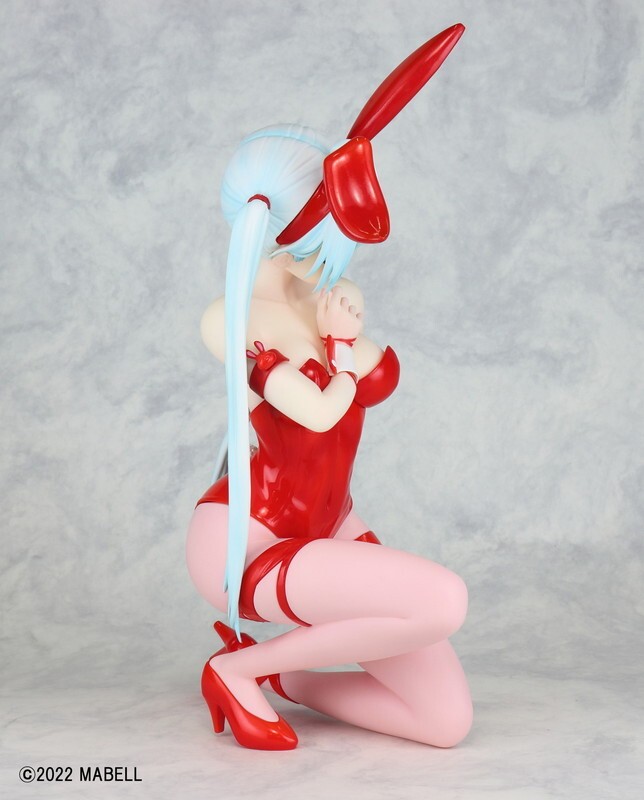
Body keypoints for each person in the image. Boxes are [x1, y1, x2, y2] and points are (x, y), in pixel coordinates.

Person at [186, 26, 472, 751]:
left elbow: (377, 375)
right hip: (252, 543)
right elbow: (317, 410)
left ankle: (286, 677)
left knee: (446, 722)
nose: (338, 256)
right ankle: (240, 669)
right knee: (443, 599)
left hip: (330, 524)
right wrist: (340, 345)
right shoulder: (231, 317)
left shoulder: (318, 298)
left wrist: (341, 330)